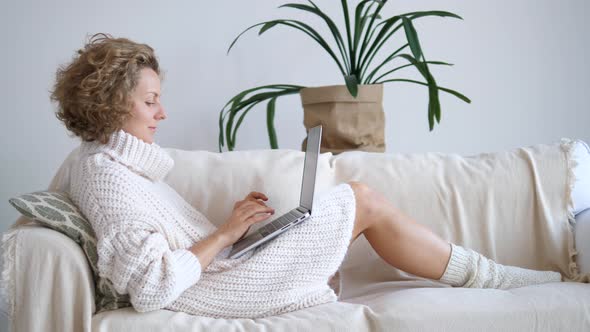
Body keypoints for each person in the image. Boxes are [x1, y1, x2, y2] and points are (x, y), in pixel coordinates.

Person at [50, 33, 573, 319]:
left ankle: (493, 276)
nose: (161, 113)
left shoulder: (117, 165)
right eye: (150, 101)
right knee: (361, 200)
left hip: (227, 270)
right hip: (220, 291)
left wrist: (239, 234)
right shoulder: (104, 176)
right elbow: (151, 285)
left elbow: (166, 249)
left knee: (346, 202)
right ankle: (498, 279)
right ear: (112, 104)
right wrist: (228, 234)